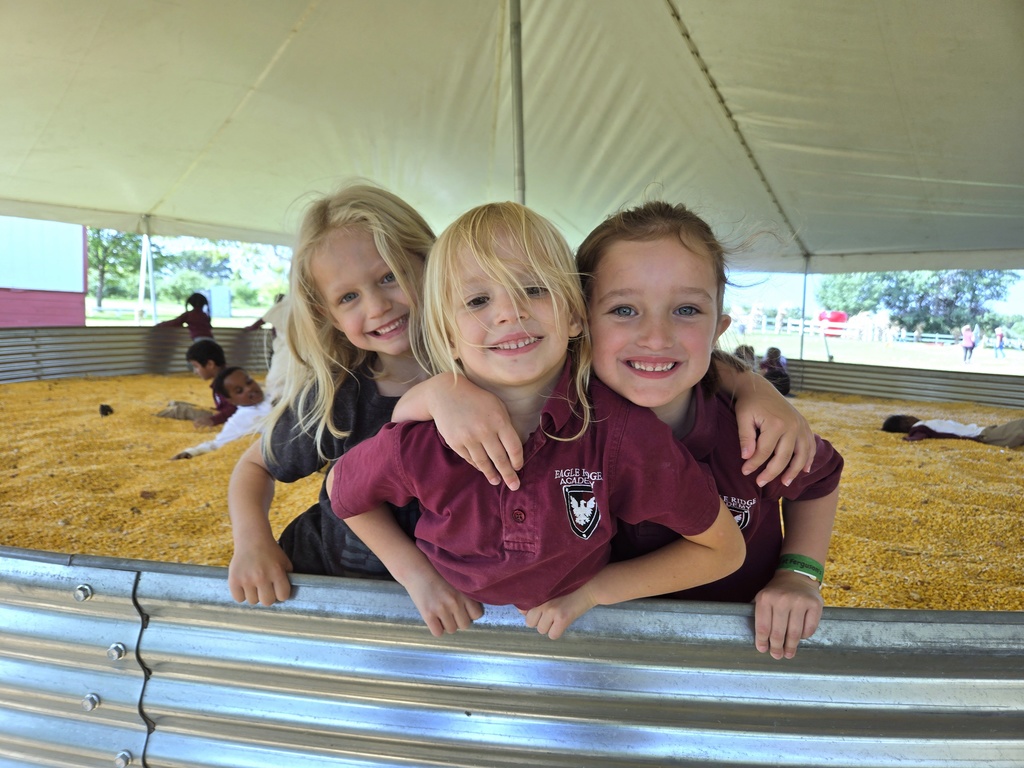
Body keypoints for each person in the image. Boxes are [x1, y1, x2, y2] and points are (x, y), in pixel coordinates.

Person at [227, 183, 813, 609]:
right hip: (340, 577)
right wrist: (252, 543)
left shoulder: (566, 393)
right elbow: (313, 479)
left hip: (462, 601)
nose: (378, 306)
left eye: (388, 277)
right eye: (348, 297)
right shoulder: (341, 398)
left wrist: (750, 382)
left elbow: (665, 361)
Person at [397, 201, 841, 658]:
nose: (656, 336)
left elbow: (820, 480)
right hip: (606, 658)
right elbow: (396, 437)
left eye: (686, 309)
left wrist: (799, 574)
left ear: (718, 328)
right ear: (581, 321)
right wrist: (439, 392)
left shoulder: (750, 432)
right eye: (624, 310)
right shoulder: (553, 423)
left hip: (738, 650)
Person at [326, 201, 746, 640]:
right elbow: (343, 489)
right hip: (454, 642)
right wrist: (416, 578)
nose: (509, 313)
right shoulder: (428, 438)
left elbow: (723, 549)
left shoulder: (622, 434)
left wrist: (595, 592)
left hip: (577, 641)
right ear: (448, 336)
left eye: (533, 289)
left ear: (574, 316)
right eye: (478, 300)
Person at [171, 367, 271, 459]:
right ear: (232, 401)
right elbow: (217, 444)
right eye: (239, 391)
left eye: (249, 382)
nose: (249, 388)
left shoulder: (274, 392)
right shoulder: (238, 420)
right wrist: (193, 451)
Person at [155, 339, 238, 427]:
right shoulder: (224, 378)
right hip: (223, 414)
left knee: (180, 411)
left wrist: (213, 420)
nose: (195, 372)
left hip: (227, 418)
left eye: (196, 366)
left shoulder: (226, 382)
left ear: (210, 364)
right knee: (176, 404)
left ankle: (153, 417)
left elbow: (235, 408)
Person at [244, 293, 294, 402]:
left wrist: (250, 328)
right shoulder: (285, 311)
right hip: (282, 349)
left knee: (277, 378)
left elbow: (261, 321)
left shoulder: (282, 309)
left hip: (285, 351)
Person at [882, 414, 1024, 448]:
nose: (912, 416)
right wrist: (907, 439)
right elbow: (917, 436)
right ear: (906, 422)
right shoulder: (919, 427)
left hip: (983, 431)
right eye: (907, 417)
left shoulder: (924, 425)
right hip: (983, 435)